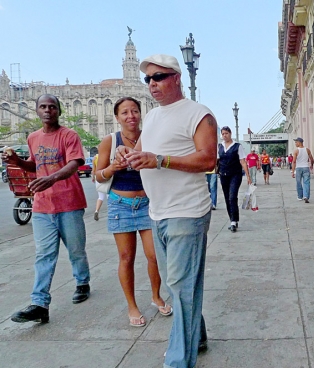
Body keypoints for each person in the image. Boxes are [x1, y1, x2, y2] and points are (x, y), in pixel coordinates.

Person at [116, 54, 216, 368]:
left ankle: (177, 361)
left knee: (182, 287)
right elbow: (141, 152)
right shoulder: (155, 117)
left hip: (187, 211)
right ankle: (196, 335)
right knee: (177, 285)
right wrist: (125, 153)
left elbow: (208, 160)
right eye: (148, 79)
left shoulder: (198, 114)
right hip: (156, 212)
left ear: (176, 77)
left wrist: (161, 160)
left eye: (158, 77)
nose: (152, 84)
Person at [3, 94, 91, 324]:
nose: (48, 110)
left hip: (69, 203)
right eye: (43, 106)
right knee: (44, 255)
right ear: (37, 111)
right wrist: (16, 161)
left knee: (76, 250)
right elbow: (34, 164)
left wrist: (52, 178)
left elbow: (75, 164)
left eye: (52, 107)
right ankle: (39, 303)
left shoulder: (69, 136)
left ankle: (82, 282)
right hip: (42, 206)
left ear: (59, 111)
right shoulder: (33, 137)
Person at [95, 97, 171, 328]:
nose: (131, 116)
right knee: (126, 258)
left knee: (154, 255)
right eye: (125, 112)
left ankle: (156, 295)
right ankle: (132, 306)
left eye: (135, 111)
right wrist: (112, 168)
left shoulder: (150, 136)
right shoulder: (109, 141)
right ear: (117, 117)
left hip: (149, 203)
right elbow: (98, 176)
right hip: (120, 205)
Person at [218, 126, 252, 232]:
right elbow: (216, 160)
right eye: (223, 134)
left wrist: (248, 176)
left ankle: (234, 220)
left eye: (226, 133)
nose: (225, 136)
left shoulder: (237, 146)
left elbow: (242, 161)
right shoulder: (219, 146)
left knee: (233, 196)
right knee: (227, 197)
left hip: (235, 175)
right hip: (223, 174)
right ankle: (232, 219)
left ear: (230, 133)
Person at [291, 137, 314, 203]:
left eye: (296, 142)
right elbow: (312, 159)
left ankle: (300, 196)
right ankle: (306, 196)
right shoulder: (307, 150)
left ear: (299, 142)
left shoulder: (296, 151)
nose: (295, 143)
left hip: (298, 168)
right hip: (306, 167)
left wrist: (292, 171)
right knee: (306, 182)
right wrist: (311, 165)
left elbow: (294, 161)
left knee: (299, 182)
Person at [92, 154, 106, 220]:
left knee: (100, 197)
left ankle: (97, 211)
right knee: (110, 196)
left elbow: (93, 170)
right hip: (106, 177)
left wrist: (93, 177)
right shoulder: (106, 155)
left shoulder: (95, 158)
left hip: (98, 177)